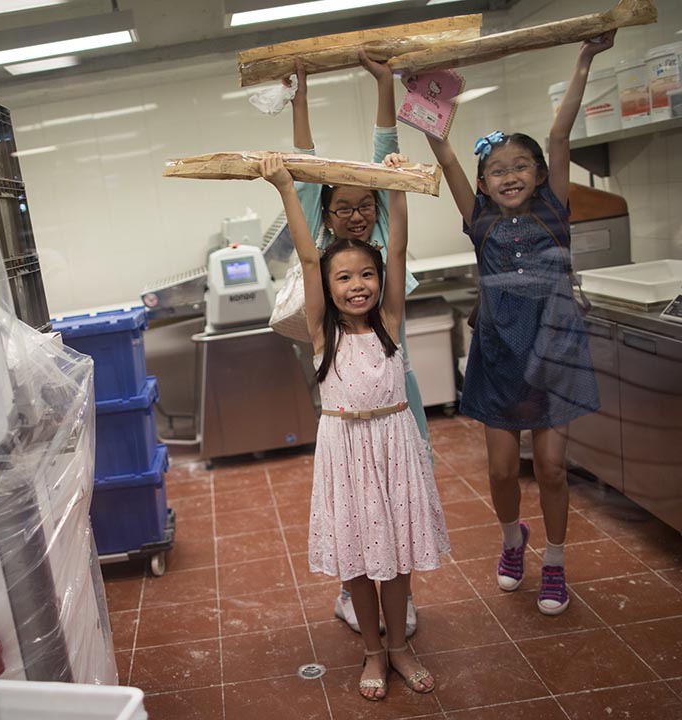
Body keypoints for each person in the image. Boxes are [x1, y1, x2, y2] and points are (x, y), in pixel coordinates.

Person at [417, 34, 613, 615]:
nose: (508, 176)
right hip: (500, 357)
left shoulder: (555, 208)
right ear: (483, 185)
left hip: (555, 352)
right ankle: (512, 541)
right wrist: (428, 102)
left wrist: (585, 59)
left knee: (551, 468)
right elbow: (446, 154)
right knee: (503, 470)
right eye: (496, 170)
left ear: (539, 173)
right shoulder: (477, 221)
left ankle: (554, 563)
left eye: (520, 166)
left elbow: (560, 131)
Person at [261, 152, 449, 701]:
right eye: (343, 277)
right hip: (346, 454)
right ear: (328, 284)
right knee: (362, 565)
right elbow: (305, 251)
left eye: (367, 274)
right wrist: (285, 190)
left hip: (394, 446)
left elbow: (397, 247)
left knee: (395, 562)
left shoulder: (390, 322)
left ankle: (399, 648)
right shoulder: (322, 332)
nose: (357, 284)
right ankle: (372, 649)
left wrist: (397, 188)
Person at [286, 53, 429, 636]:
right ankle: (354, 596)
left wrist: (384, 82)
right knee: (353, 505)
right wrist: (299, 95)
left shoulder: (383, 251)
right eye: (341, 206)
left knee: (401, 504)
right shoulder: (325, 258)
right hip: (344, 397)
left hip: (399, 393)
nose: (352, 214)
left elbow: (385, 165)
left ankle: (401, 600)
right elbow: (304, 169)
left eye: (362, 205)